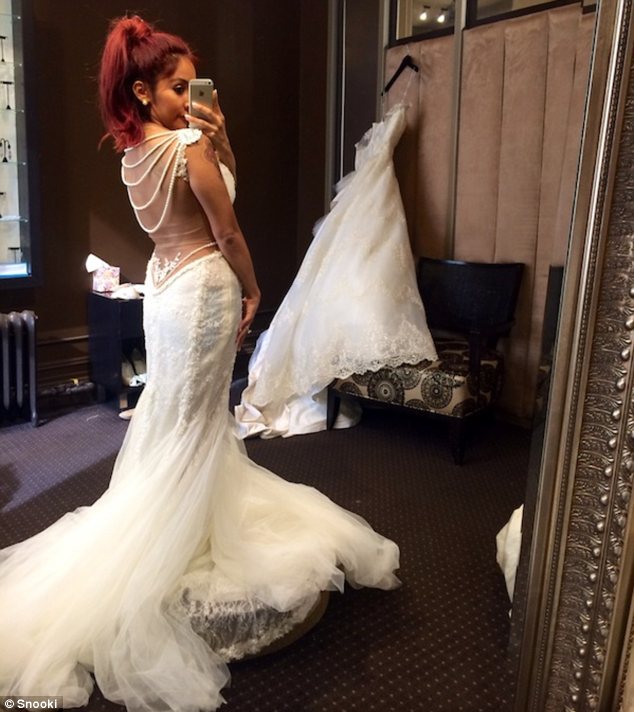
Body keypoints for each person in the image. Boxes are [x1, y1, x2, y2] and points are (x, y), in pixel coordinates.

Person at [0, 15, 400, 712]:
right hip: (205, 287)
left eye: (192, 86)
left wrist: (224, 141)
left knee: (177, 408)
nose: (190, 98)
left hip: (163, 287)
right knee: (196, 413)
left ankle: (180, 516)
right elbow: (228, 229)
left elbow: (198, 204)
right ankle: (176, 535)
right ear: (142, 90)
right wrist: (255, 288)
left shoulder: (133, 155)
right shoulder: (187, 148)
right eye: (178, 87)